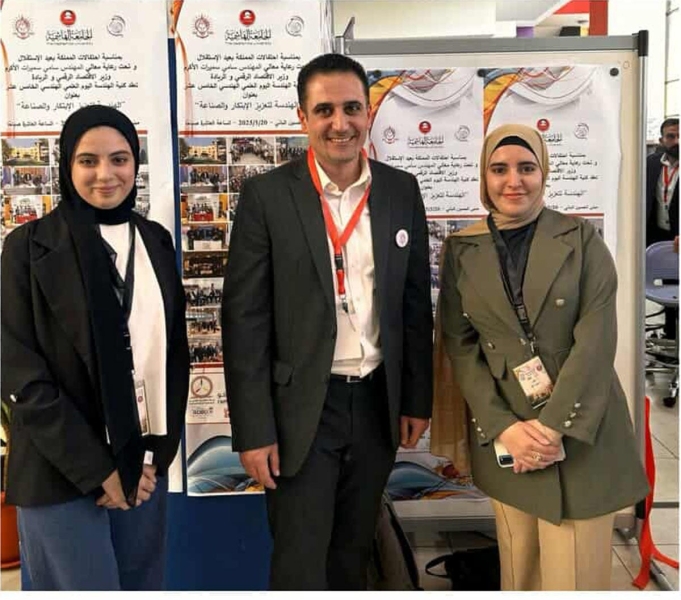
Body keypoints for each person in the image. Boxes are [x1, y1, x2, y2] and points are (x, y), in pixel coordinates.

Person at [221, 53, 433, 590]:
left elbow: (413, 305)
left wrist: (415, 399)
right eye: (325, 110)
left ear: (369, 112)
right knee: (299, 562)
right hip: (301, 412)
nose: (340, 123)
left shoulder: (400, 191)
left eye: (352, 108)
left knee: (352, 555)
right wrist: (253, 431)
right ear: (303, 117)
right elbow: (245, 321)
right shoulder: (267, 196)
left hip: (376, 405)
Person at [432, 123, 648, 591]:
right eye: (499, 169)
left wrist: (550, 430)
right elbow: (460, 346)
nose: (514, 181)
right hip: (508, 436)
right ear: (484, 176)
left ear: (544, 172)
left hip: (580, 427)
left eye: (526, 168)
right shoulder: (462, 249)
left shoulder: (580, 239)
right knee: (520, 571)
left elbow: (596, 341)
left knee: (574, 577)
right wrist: (505, 427)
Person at [1, 105, 189, 590]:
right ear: (67, 165)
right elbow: (19, 372)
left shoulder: (155, 241)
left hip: (141, 469)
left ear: (135, 164)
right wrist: (100, 469)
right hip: (59, 472)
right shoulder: (27, 248)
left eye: (119, 159)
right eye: (88, 161)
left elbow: (172, 357)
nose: (105, 174)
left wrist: (151, 459)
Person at [646, 117, 679, 339]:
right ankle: (670, 333)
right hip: (657, 233)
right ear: (661, 140)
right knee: (666, 283)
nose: (677, 141)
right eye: (671, 136)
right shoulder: (651, 164)